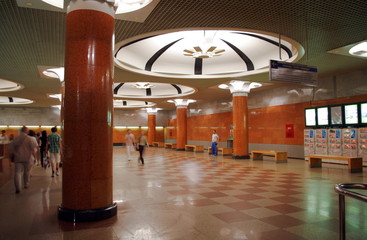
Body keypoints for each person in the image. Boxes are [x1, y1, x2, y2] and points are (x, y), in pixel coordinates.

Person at [9, 126, 38, 194]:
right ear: (26, 131)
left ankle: (18, 188)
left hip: (18, 158)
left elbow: (11, 149)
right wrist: (35, 158)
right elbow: (33, 149)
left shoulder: (16, 138)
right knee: (26, 172)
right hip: (27, 158)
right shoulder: (29, 138)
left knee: (17, 173)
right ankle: (26, 184)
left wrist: (11, 158)